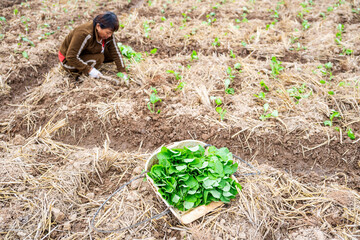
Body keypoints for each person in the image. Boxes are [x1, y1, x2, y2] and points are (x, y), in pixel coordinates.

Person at [58, 12, 127, 79]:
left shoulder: (108, 34)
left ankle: (91, 60)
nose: (110, 35)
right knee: (99, 58)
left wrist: (122, 71)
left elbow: (116, 52)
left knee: (111, 55)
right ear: (98, 26)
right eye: (108, 33)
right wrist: (90, 70)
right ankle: (80, 75)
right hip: (67, 61)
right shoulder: (84, 34)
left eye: (111, 33)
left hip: (84, 52)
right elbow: (71, 56)